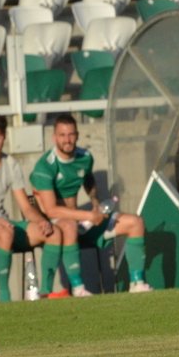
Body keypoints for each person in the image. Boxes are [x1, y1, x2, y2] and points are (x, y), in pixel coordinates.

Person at [0, 115, 86, 300]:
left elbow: (25, 206)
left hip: (5, 225)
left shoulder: (10, 164)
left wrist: (41, 221)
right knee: (5, 233)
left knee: (53, 232)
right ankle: (4, 299)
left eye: (0, 137)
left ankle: (46, 293)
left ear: (5, 138)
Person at [30, 114, 152, 292]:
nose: (67, 140)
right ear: (54, 137)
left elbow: (88, 180)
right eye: (62, 135)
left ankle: (137, 283)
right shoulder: (45, 167)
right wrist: (88, 215)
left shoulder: (85, 157)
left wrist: (95, 201)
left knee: (135, 222)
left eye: (71, 134)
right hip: (58, 226)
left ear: (78, 135)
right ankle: (79, 289)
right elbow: (51, 210)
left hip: (84, 221)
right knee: (70, 226)